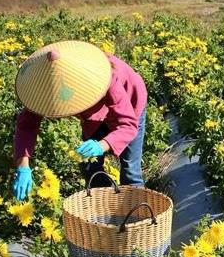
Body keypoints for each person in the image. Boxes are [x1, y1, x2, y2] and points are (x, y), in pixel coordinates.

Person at [12, 40, 147, 201]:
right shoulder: (43, 84)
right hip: (93, 117)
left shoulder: (105, 76)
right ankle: (106, 209)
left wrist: (101, 145)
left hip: (129, 105)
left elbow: (127, 125)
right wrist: (23, 167)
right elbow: (27, 126)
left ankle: (137, 217)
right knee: (91, 167)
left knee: (130, 171)